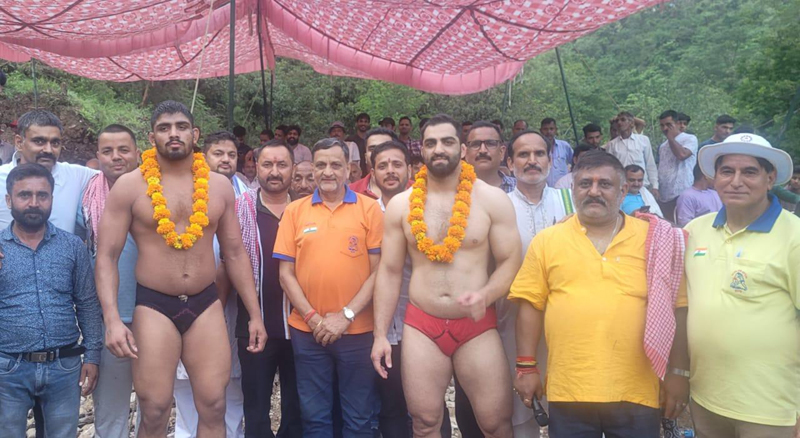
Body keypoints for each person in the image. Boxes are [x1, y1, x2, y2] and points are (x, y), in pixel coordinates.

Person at [95, 100, 267, 438]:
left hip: (205, 304)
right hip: (154, 305)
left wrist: (255, 314)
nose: (173, 134)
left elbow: (234, 253)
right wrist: (112, 320)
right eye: (164, 128)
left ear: (195, 134)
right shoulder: (130, 187)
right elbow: (106, 257)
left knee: (214, 405)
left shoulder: (218, 186)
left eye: (181, 127)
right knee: (155, 408)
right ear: (152, 137)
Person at [510, 150, 689, 438]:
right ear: (573, 189)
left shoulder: (654, 240)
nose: (594, 191)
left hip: (637, 389)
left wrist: (679, 374)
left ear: (623, 190)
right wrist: (526, 368)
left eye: (604, 184)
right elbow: (530, 306)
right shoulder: (547, 241)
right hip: (569, 388)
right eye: (585, 184)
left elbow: (678, 309)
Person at [371, 114, 522, 437]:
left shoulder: (492, 200)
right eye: (431, 143)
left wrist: (487, 295)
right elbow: (390, 270)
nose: (439, 149)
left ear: (462, 148)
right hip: (422, 324)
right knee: (424, 423)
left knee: (495, 424)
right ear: (421, 151)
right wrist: (380, 334)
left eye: (447, 141)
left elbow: (511, 260)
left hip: (476, 325)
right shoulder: (401, 205)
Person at [686, 133, 799, 437]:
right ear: (714, 177)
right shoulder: (695, 231)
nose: (736, 181)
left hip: (772, 406)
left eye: (749, 171)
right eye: (727, 171)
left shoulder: (794, 236)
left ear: (770, 178)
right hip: (706, 397)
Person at [274, 137, 383, 437]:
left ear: (349, 169)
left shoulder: (369, 210)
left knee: (359, 417)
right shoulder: (295, 211)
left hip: (358, 330)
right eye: (320, 165)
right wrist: (313, 318)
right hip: (308, 332)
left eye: (336, 165)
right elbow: (286, 274)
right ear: (311, 168)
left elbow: (379, 272)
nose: (327, 172)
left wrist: (345, 316)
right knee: (315, 417)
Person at [0, 163, 102, 438]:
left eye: (42, 195)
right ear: (9, 200)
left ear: (51, 199)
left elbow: (87, 303)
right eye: (24, 195)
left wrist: (92, 354)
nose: (34, 202)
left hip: (63, 367)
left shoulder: (71, 247)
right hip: (8, 368)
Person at [173, 130, 253, 438]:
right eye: (218, 153)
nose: (226, 160)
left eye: (232, 155)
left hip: (231, 307)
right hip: (189, 303)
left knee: (231, 381)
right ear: (202, 156)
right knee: (186, 383)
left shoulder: (246, 194)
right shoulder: (185, 191)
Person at [500, 130, 575, 437]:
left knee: (568, 402)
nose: (532, 161)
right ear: (509, 162)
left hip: (566, 319)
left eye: (539, 154)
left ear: (551, 159)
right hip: (511, 317)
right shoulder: (499, 206)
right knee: (521, 408)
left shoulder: (571, 202)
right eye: (523, 155)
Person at [229, 140, 303, 437]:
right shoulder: (239, 209)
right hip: (255, 325)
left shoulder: (306, 209)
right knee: (256, 408)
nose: (275, 172)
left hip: (301, 325)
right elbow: (230, 260)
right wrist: (253, 317)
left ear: (293, 170)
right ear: (255, 167)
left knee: (298, 407)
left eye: (282, 165)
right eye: (267, 165)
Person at [82, 124, 141, 438]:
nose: (116, 157)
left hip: (154, 315)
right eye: (108, 151)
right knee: (110, 412)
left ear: (137, 153)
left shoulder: (156, 191)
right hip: (109, 318)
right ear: (98, 156)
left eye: (123, 150)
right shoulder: (89, 195)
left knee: (153, 406)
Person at [0, 109, 98, 233]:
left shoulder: (76, 176)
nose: (48, 150)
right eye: (39, 141)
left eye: (55, 143)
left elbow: (116, 178)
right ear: (19, 142)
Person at [603, 111, 659, 198]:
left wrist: (655, 186)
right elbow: (610, 169)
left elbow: (650, 164)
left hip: (642, 187)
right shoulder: (612, 144)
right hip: (621, 188)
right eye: (618, 120)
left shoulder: (643, 140)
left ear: (631, 123)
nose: (619, 123)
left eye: (623, 120)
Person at [657, 110, 698, 222]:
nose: (665, 128)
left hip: (682, 193)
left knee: (682, 226)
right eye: (662, 125)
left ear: (677, 124)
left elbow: (682, 155)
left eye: (669, 125)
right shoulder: (662, 146)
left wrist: (671, 138)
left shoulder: (690, 139)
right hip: (664, 195)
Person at [464, 120, 516, 193]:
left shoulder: (520, 189)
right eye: (475, 144)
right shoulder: (453, 190)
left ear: (502, 152)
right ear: (466, 153)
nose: (483, 150)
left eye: (490, 144)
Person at [349, 128, 398, 199]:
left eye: (384, 147)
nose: (378, 152)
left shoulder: (414, 189)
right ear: (365, 157)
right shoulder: (351, 191)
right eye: (372, 149)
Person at [540, 118, 574, 187]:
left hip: (563, 189)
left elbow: (575, 163)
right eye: (545, 129)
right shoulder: (537, 148)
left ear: (556, 130)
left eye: (551, 129)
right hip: (544, 189)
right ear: (540, 131)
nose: (548, 132)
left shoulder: (564, 146)